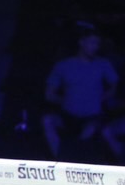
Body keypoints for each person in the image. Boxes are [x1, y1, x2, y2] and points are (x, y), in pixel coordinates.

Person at [41, 28, 121, 160]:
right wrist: (68, 100)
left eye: (97, 44)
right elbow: (49, 94)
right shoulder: (64, 65)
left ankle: (76, 158)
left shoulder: (103, 64)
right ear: (82, 42)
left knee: (91, 129)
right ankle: (59, 158)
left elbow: (114, 85)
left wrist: (101, 98)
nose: (95, 47)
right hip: (68, 115)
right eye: (92, 42)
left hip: (92, 116)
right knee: (47, 120)